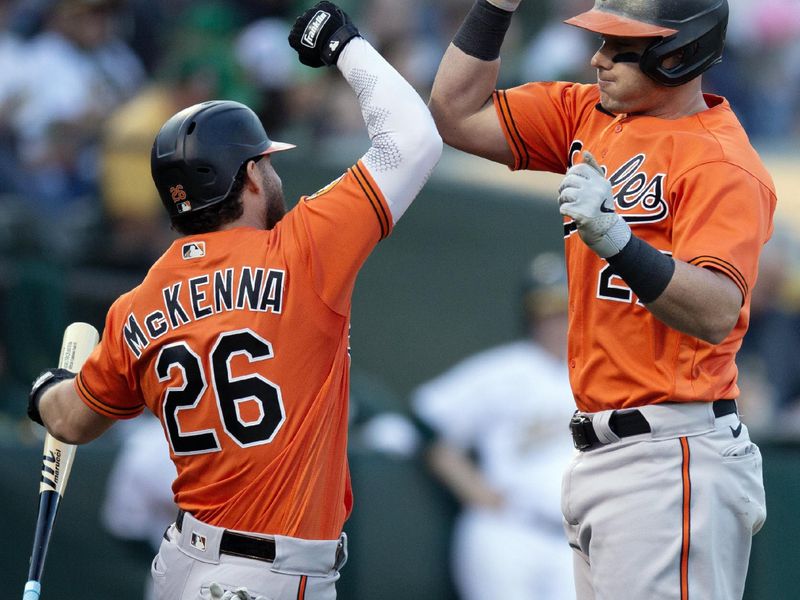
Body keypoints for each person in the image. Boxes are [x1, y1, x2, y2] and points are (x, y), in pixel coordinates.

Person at [25, 2, 442, 599]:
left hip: (181, 565)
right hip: (265, 576)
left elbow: (69, 420)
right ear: (247, 177)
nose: (274, 175)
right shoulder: (300, 250)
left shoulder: (136, 306)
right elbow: (414, 139)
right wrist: (345, 44)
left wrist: (44, 389)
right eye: (267, 163)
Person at [428, 1, 774, 599]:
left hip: (673, 454)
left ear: (680, 52)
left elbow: (718, 310)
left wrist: (618, 240)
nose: (598, 58)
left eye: (621, 46)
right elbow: (455, 113)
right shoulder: (589, 112)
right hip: (601, 453)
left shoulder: (720, 161)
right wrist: (496, 6)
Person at [412, 252, 576, 600]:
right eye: (546, 313)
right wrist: (476, 489)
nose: (555, 323)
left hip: (573, 542)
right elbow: (425, 421)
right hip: (508, 529)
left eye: (563, 312)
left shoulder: (599, 377)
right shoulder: (505, 369)